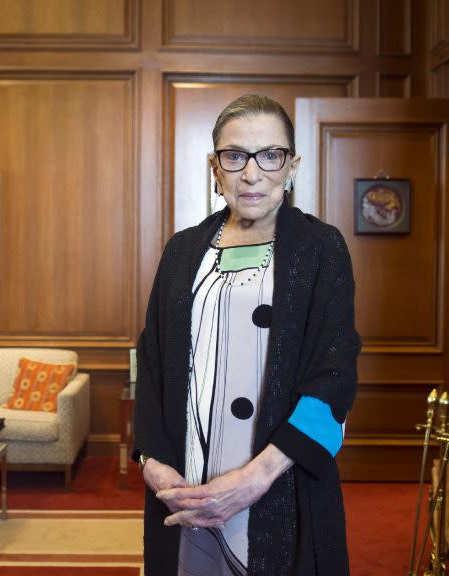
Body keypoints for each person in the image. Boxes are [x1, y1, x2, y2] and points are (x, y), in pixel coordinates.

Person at [132, 94, 360, 575]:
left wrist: (254, 480)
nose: (252, 174)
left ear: (291, 164)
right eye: (234, 156)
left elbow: (334, 378)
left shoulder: (321, 249)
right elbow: (150, 361)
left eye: (269, 155)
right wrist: (151, 460)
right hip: (184, 486)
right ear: (216, 168)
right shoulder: (181, 250)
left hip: (278, 481)